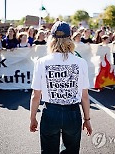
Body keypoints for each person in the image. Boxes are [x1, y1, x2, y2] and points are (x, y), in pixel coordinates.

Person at [30, 21, 92, 154]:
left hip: (50, 113)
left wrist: (33, 118)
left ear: (51, 39)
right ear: (70, 38)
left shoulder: (42, 62)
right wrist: (87, 120)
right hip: (73, 113)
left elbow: (36, 96)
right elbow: (85, 96)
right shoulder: (81, 62)